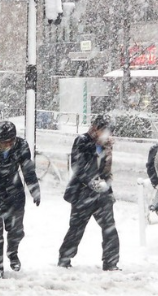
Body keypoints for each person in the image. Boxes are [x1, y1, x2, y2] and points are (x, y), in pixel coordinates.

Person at [0, 121, 40, 278]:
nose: (6, 144)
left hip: (14, 194)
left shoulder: (21, 146)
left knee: (16, 230)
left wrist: (35, 190)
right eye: (2, 142)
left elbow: (28, 169)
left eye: (9, 141)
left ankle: (12, 252)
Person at [58, 114, 120, 271]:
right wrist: (92, 181)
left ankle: (111, 262)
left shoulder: (107, 145)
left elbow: (106, 170)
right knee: (76, 228)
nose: (108, 135)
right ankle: (65, 259)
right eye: (105, 131)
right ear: (96, 128)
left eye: (110, 132)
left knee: (110, 228)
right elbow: (77, 165)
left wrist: (107, 187)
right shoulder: (83, 141)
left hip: (102, 194)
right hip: (82, 193)